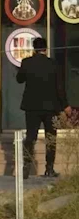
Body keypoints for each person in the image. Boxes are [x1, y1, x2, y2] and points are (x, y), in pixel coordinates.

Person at [17, 37, 71, 179]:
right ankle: (49, 169)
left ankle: (26, 168)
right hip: (51, 107)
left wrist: (23, 69)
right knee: (51, 138)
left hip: (32, 106)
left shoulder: (26, 62)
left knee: (30, 137)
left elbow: (19, 79)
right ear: (46, 49)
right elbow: (60, 87)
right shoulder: (53, 64)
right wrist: (65, 105)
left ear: (34, 49)